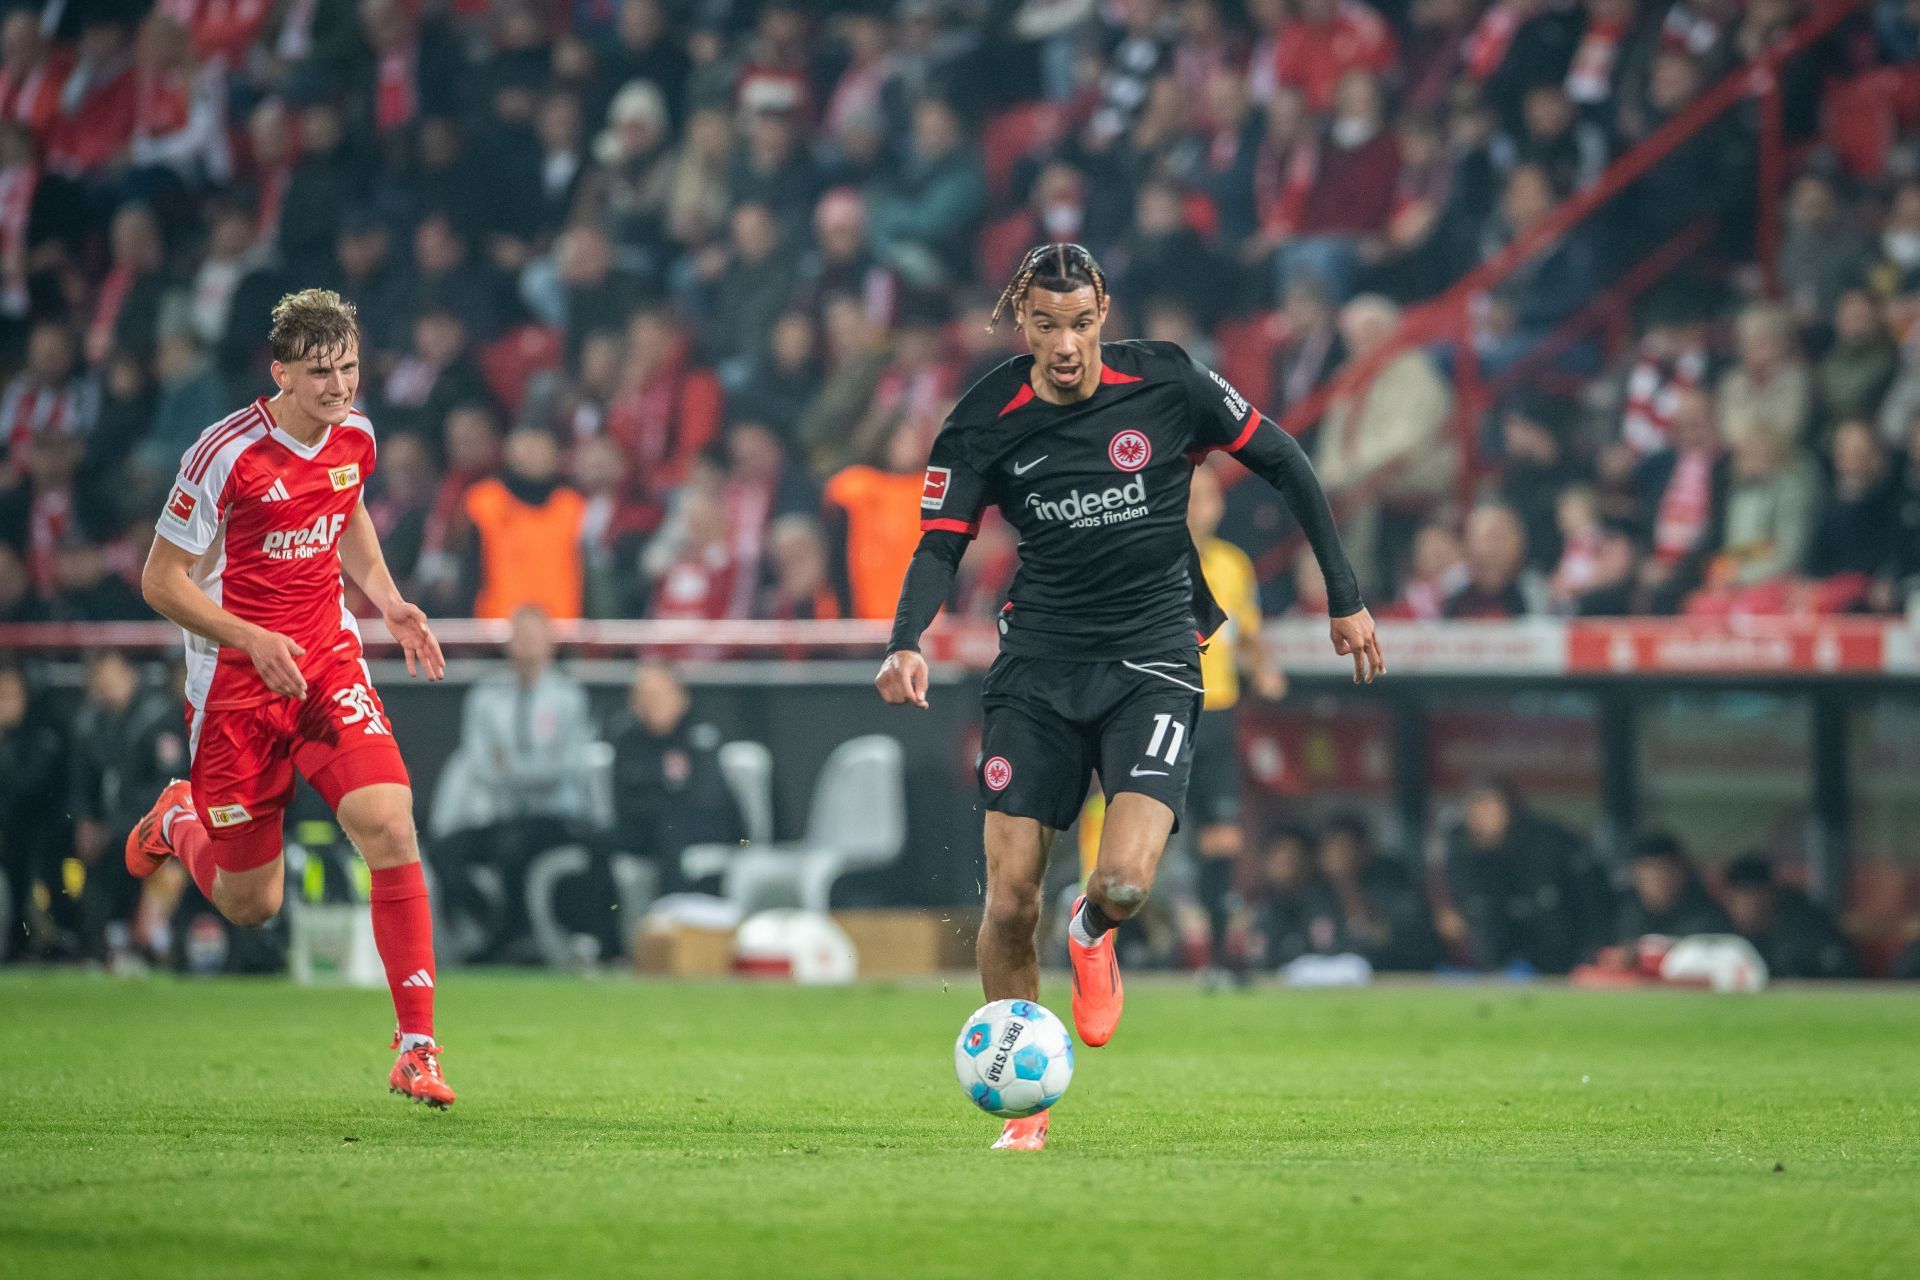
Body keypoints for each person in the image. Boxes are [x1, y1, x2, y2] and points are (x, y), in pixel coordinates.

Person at [875, 243, 1382, 1151]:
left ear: (1103, 309)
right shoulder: (984, 419)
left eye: (1079, 323)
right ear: (1018, 321)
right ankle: (1023, 1112)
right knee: (1008, 902)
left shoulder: (1169, 384)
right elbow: (940, 544)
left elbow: (1288, 462)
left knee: (1125, 882)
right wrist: (905, 641)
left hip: (1152, 656)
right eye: (1044, 325)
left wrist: (1344, 598)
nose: (1065, 344)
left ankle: (1095, 925)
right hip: (1036, 667)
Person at [123, 289, 455, 1108]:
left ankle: (416, 1048)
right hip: (235, 683)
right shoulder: (221, 454)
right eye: (320, 373)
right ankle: (178, 817)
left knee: (388, 820)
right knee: (252, 904)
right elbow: (158, 581)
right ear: (280, 373)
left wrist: (385, 598)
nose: (340, 387)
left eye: (348, 367)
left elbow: (345, 513)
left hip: (326, 663)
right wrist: (247, 637)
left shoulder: (357, 435)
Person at [1185, 463, 1287, 984]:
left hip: (1217, 711)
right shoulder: (1150, 559)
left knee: (1222, 837)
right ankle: (1114, 943)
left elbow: (1243, 631)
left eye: (1206, 495)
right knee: (1138, 836)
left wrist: (1263, 668)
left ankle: (1222, 955)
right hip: (1160, 709)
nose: (1199, 506)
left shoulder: (1232, 565)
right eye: (1190, 495)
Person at [610, 662, 746, 891]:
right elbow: (622, 801)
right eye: (646, 696)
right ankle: (605, 922)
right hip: (645, 827)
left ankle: (673, 915)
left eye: (660, 695)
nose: (653, 704)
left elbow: (707, 800)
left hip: (700, 829)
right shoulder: (627, 742)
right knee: (596, 840)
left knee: (671, 830)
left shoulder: (698, 739)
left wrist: (655, 794)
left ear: (681, 698)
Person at [1721, 853, 1859, 980]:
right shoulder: (1722, 930)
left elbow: (1844, 973)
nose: (1746, 905)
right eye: (1737, 898)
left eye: (1750, 895)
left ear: (1770, 894)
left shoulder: (1808, 928)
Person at [1614, 832, 1734, 945]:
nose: (1656, 883)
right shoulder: (1626, 913)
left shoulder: (1706, 919)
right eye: (1649, 876)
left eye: (1663, 873)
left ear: (1680, 873)